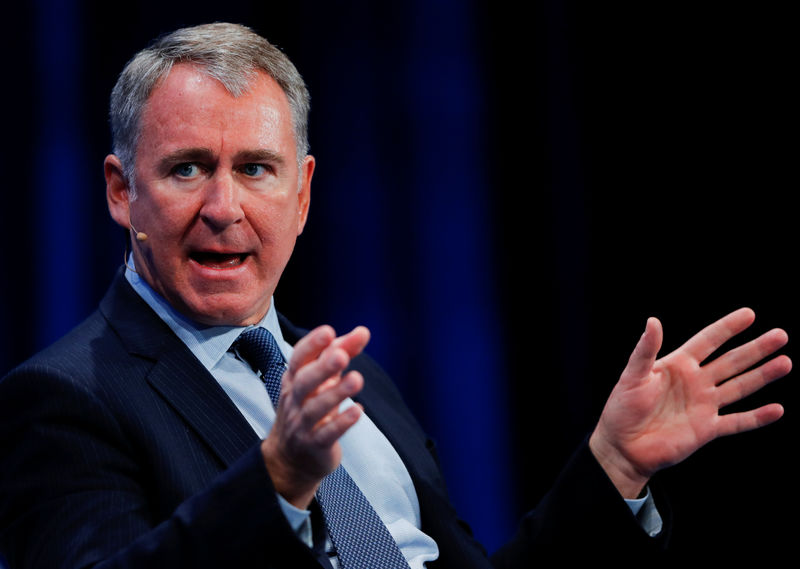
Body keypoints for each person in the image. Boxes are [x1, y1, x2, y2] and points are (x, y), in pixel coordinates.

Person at [0, 22, 791, 568]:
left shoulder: (355, 380)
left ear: (302, 195)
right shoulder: (65, 397)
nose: (222, 207)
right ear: (118, 190)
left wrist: (613, 466)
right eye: (186, 168)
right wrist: (278, 479)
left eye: (255, 168)